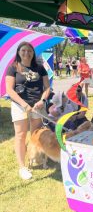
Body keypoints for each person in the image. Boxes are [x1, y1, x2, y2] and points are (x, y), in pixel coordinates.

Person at [5, 41, 50, 180]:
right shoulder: (13, 68)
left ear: (33, 53)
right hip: (20, 105)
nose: (26, 53)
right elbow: (10, 90)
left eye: (29, 50)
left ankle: (34, 157)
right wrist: (24, 105)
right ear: (19, 52)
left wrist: (42, 101)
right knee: (20, 135)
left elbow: (47, 88)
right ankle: (22, 167)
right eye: (23, 50)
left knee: (35, 134)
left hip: (37, 106)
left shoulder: (40, 68)